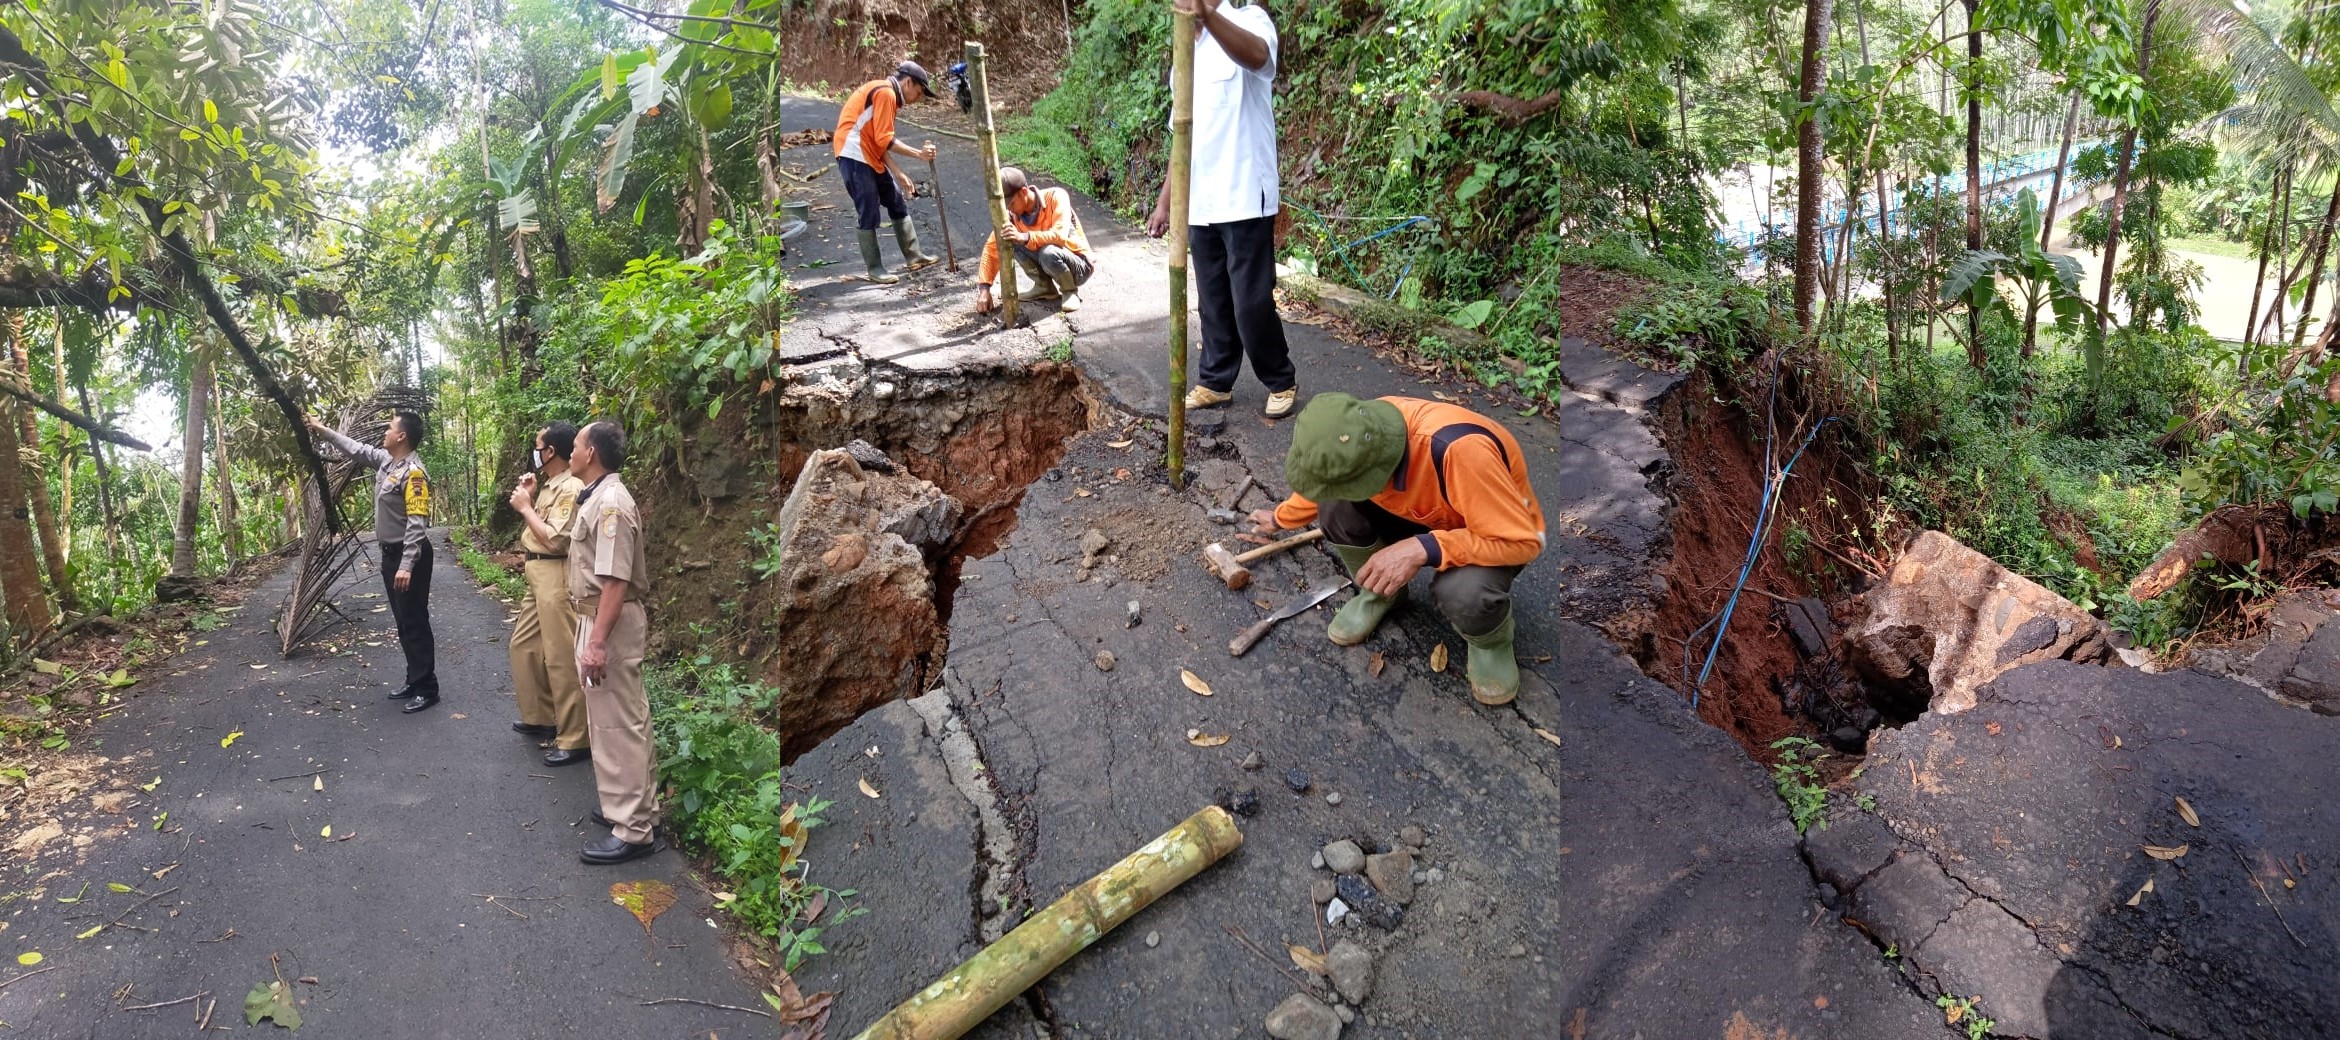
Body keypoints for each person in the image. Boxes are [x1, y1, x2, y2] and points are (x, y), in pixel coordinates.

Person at [1248, 393, 1544, 705]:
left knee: (1462, 591)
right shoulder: (1360, 430)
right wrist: (1280, 519)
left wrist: (1422, 548)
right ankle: (1381, 593)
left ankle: (1490, 642)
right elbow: (1329, 481)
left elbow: (1522, 542)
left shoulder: (1462, 453)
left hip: (1488, 529)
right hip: (1421, 512)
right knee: (1334, 508)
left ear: (1380, 463)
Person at [1147, 0, 1297, 419]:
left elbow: (1260, 57)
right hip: (1201, 202)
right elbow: (1183, 138)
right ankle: (1216, 381)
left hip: (1245, 193)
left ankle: (1281, 378)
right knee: (1212, 301)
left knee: (1250, 302)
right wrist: (1165, 204)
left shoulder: (1248, 20)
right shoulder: (1184, 57)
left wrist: (1210, 18)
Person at [564, 421, 662, 865]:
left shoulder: (610, 506)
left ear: (592, 454)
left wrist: (597, 644)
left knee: (618, 726)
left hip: (610, 623)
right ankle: (636, 810)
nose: (571, 450)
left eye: (577, 445)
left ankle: (634, 831)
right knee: (622, 720)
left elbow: (615, 582)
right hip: (599, 619)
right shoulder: (597, 496)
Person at [307, 410, 440, 714]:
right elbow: (356, 449)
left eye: (390, 428)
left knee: (415, 622)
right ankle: (413, 677)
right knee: (403, 622)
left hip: (411, 557)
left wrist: (407, 564)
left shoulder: (414, 473)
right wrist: (323, 430)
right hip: (390, 555)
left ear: (402, 436)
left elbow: (417, 524)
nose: (385, 431)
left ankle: (427, 688)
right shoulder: (386, 462)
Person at [505, 422, 590, 767]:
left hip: (556, 573)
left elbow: (556, 539)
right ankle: (541, 716)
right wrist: (533, 495)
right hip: (536, 573)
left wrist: (525, 507)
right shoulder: (552, 485)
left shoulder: (571, 486)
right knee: (523, 646)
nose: (535, 451)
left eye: (538, 446)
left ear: (551, 451)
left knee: (560, 657)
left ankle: (576, 737)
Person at [834, 61, 942, 285]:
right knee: (869, 209)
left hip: (869, 153)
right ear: (908, 82)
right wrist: (919, 154)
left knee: (895, 200)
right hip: (853, 153)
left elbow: (878, 139)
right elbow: (884, 139)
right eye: (919, 92)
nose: (918, 98)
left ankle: (914, 256)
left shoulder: (888, 95)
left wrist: (898, 172)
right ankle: (874, 268)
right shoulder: (886, 93)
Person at [976, 166, 1094, 315]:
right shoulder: (1012, 216)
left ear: (1024, 192)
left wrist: (1024, 237)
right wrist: (984, 288)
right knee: (1009, 239)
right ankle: (1044, 287)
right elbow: (992, 247)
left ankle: (1069, 291)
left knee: (1048, 252)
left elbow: (1059, 236)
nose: (1009, 209)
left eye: (1011, 204)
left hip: (1080, 265)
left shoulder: (1056, 197)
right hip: (1050, 259)